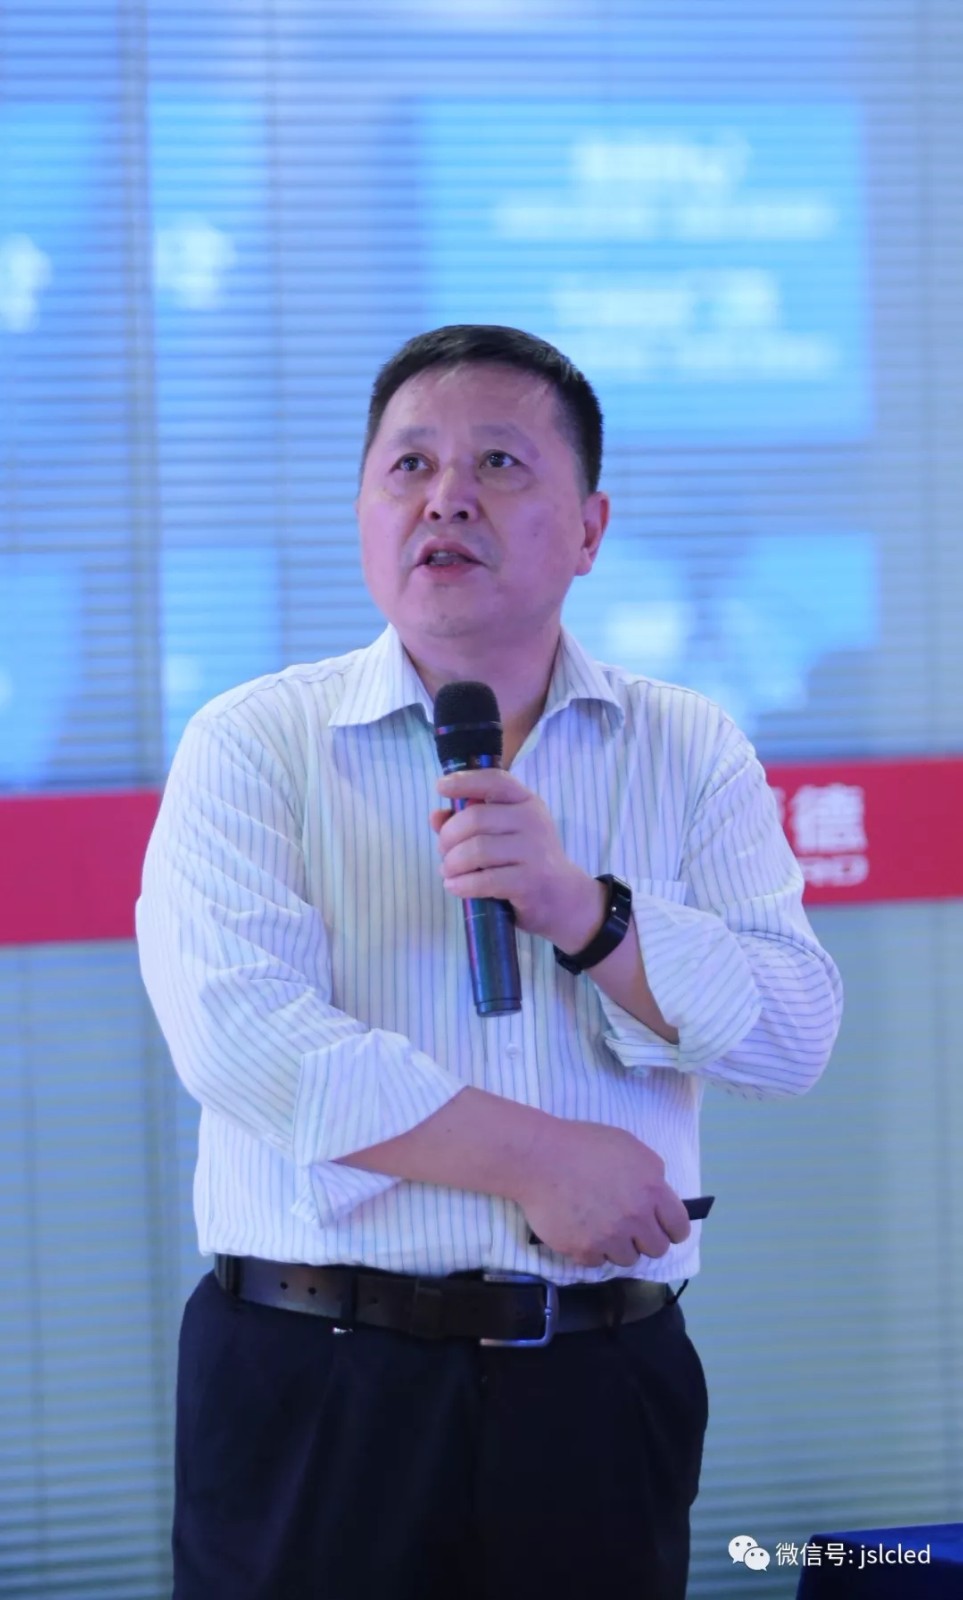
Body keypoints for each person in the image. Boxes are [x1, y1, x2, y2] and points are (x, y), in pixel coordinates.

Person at [136, 324, 843, 1600]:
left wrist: (589, 913)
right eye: (409, 465)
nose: (446, 497)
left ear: (590, 528)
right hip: (318, 1381)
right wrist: (539, 1158)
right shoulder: (254, 741)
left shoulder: (688, 747)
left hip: (597, 1384)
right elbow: (242, 1037)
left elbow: (793, 1035)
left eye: (500, 463)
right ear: (364, 511)